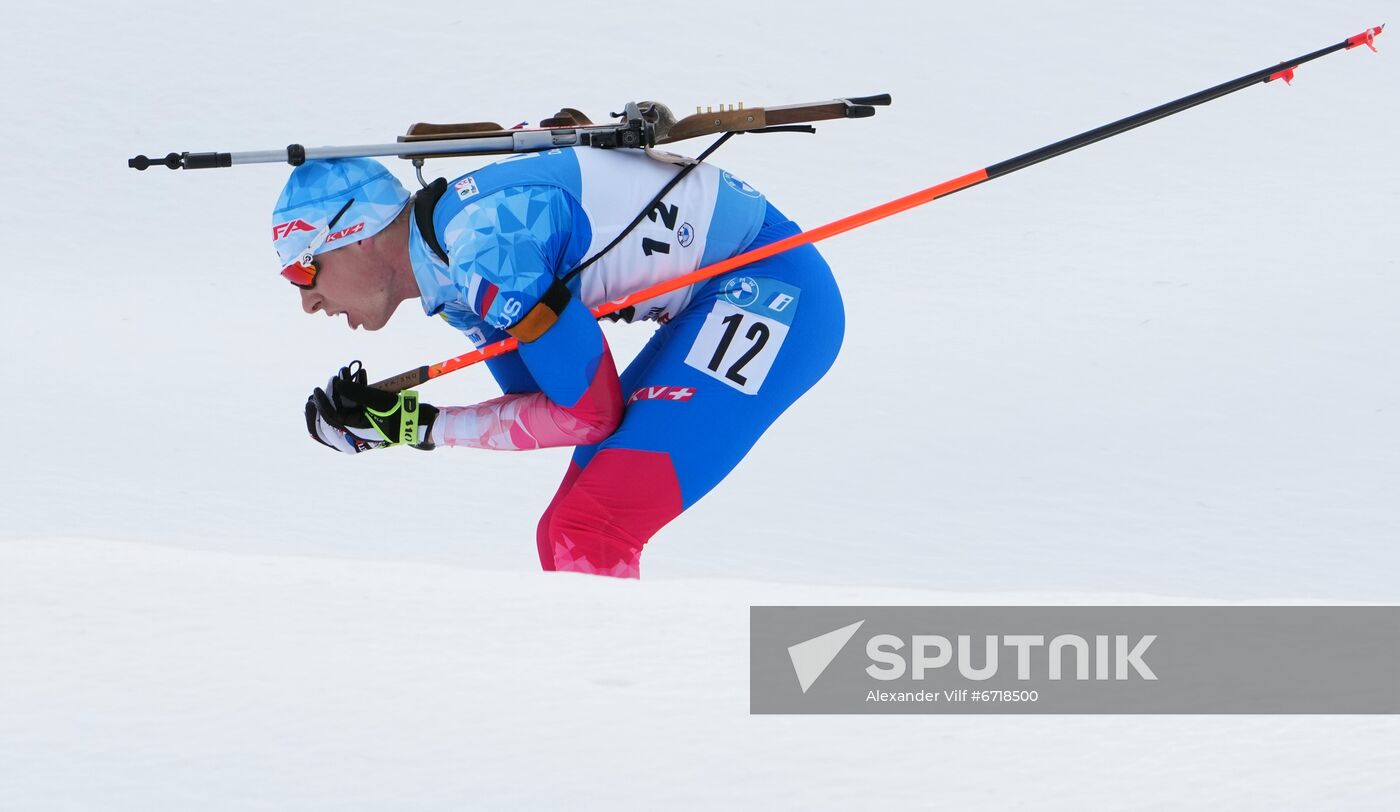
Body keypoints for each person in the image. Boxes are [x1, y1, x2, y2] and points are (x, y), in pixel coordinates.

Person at [274, 147, 844, 578]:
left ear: (358, 235)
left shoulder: (485, 256)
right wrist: (404, 425)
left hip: (775, 289)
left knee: (592, 530)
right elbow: (547, 405)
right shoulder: (457, 280)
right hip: (712, 296)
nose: (307, 301)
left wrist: (424, 427)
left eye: (304, 271)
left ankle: (615, 706)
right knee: (562, 531)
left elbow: (588, 416)